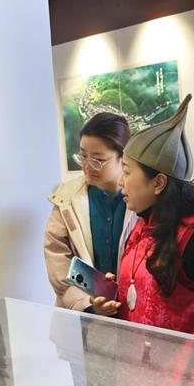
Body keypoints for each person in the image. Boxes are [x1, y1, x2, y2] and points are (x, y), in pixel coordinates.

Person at [92, 94, 194, 343]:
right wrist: (111, 300)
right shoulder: (141, 224)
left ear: (158, 183)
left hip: (189, 367)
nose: (121, 182)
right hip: (136, 363)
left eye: (127, 172)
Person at [44, 112, 132, 312]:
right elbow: (58, 260)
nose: (87, 166)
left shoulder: (140, 199)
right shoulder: (66, 199)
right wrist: (89, 308)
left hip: (133, 313)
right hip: (82, 314)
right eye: (83, 155)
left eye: (98, 159)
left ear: (123, 157)